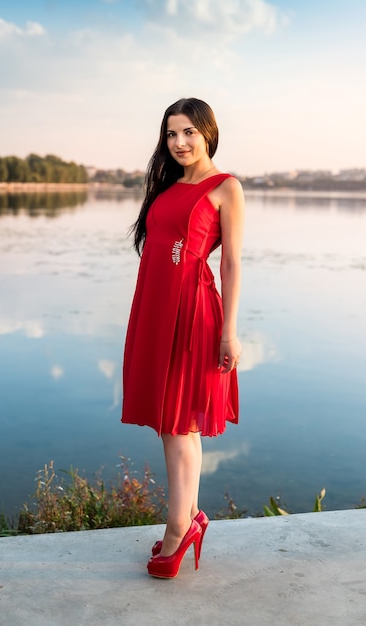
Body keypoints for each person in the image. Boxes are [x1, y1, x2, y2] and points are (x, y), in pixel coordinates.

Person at [121, 97, 244, 578]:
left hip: (193, 313)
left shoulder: (225, 187)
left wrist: (229, 334)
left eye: (189, 132)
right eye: (171, 134)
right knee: (170, 423)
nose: (179, 143)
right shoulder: (168, 185)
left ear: (208, 132)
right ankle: (188, 517)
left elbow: (231, 263)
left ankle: (179, 528)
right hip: (154, 309)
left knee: (180, 423)